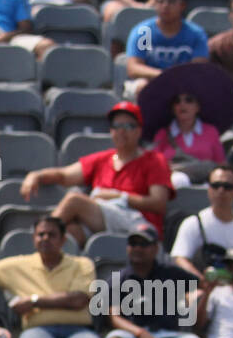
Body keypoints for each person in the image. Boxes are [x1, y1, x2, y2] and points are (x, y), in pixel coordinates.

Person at [20, 101, 172, 247]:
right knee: (70, 233)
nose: (121, 131)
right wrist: (36, 176)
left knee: (74, 200)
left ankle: (34, 246)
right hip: (101, 221)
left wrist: (119, 196)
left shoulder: (154, 161)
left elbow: (158, 203)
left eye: (128, 126)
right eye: (116, 126)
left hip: (137, 225)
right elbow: (64, 176)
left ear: (139, 130)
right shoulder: (103, 159)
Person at [0, 216, 98, 338]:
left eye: (52, 235)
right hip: (36, 330)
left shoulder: (82, 264)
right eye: (40, 234)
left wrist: (34, 301)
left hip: (79, 330)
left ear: (63, 240)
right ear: (34, 239)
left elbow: (78, 300)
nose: (45, 238)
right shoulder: (19, 265)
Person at [102, 222, 204, 338]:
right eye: (133, 243)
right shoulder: (118, 279)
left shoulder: (171, 273)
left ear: (156, 248)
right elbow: (114, 316)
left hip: (169, 334)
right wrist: (140, 333)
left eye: (144, 244)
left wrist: (193, 296)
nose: (138, 248)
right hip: (132, 334)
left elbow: (200, 286)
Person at [169, 163, 233, 283]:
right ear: (209, 189)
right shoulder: (193, 223)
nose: (221, 191)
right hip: (203, 290)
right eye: (216, 185)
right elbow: (179, 259)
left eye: (227, 186)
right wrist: (201, 281)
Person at [122, 0, 209, 102]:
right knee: (141, 86)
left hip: (184, 84)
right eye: (160, 1)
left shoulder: (196, 34)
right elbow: (133, 68)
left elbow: (198, 69)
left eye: (171, 1)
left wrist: (174, 79)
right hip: (150, 81)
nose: (165, 6)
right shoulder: (145, 32)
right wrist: (163, 75)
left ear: (182, 5)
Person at [151, 89, 226, 190]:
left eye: (189, 100)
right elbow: (153, 165)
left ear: (197, 107)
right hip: (172, 185)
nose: (182, 104)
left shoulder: (211, 131)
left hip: (206, 184)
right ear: (173, 108)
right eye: (177, 101)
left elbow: (221, 163)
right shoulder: (162, 134)